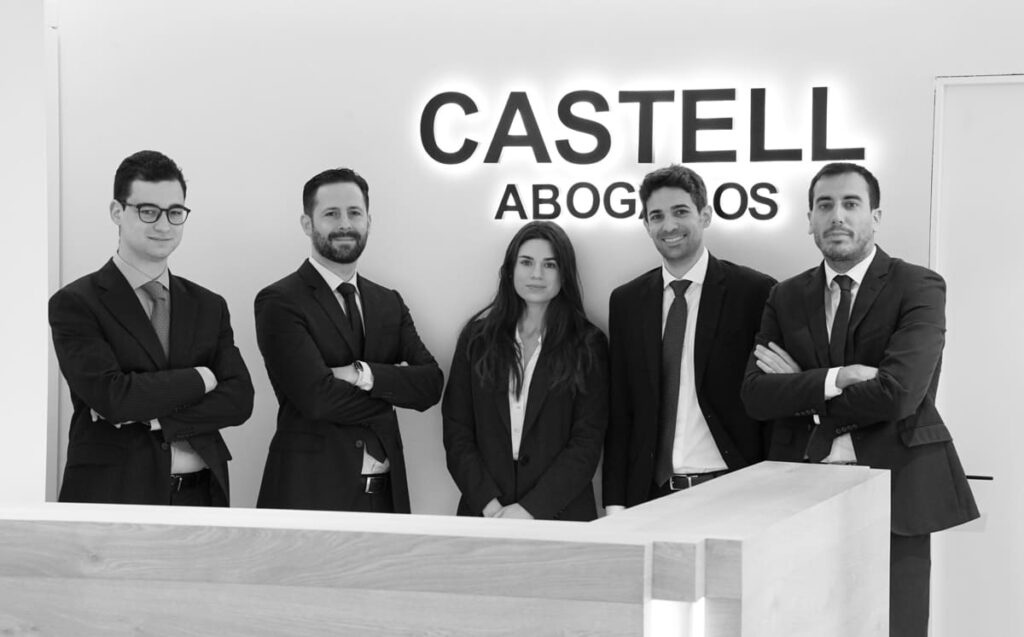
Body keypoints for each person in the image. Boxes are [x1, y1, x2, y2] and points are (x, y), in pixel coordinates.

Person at [741, 162, 979, 636]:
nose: (837, 216)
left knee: (895, 626)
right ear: (809, 219)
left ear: (876, 216)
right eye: (824, 205)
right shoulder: (785, 297)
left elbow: (898, 395)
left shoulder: (919, 286)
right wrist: (839, 378)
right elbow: (756, 396)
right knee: (804, 625)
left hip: (896, 490)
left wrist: (805, 388)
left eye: (851, 203)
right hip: (800, 492)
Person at [48, 150, 254, 506]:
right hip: (115, 496)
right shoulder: (76, 302)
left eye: (175, 212)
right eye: (148, 211)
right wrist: (203, 378)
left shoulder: (209, 305)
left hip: (202, 496)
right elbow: (115, 398)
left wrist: (152, 418)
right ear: (117, 212)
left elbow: (239, 399)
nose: (164, 225)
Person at [255, 167, 443, 513]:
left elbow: (431, 384)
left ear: (368, 221)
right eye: (331, 214)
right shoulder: (280, 301)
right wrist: (391, 394)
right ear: (307, 223)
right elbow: (317, 399)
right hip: (310, 495)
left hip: (385, 498)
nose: (345, 224)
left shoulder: (388, 302)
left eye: (354, 213)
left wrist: (360, 374)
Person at [602, 164, 776, 513]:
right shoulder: (627, 302)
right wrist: (615, 503)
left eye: (680, 212)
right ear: (646, 224)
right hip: (650, 498)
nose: (669, 226)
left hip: (733, 492)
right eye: (656, 216)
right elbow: (621, 410)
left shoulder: (754, 293)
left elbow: (771, 404)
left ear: (705, 215)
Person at [442, 221, 608, 521]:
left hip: (561, 515)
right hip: (484, 514)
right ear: (510, 269)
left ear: (564, 273)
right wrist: (491, 507)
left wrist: (530, 510)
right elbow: (457, 431)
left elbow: (587, 442)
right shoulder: (477, 340)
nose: (537, 274)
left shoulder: (588, 343)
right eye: (527, 262)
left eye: (550, 264)